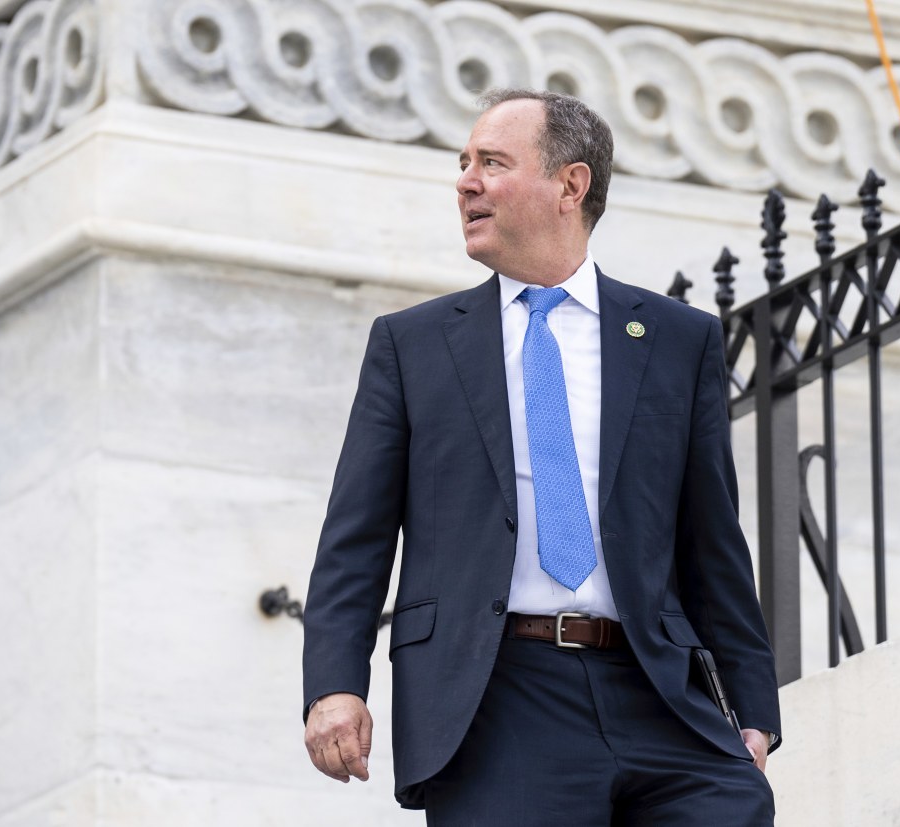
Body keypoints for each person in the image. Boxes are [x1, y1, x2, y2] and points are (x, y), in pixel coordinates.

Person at [302, 88, 781, 824]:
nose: (465, 182)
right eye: (464, 164)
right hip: (496, 696)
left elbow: (712, 537)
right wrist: (335, 685)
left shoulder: (678, 340)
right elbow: (355, 537)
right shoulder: (413, 346)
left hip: (660, 691)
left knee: (737, 809)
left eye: (492, 163)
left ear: (571, 185)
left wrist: (754, 709)